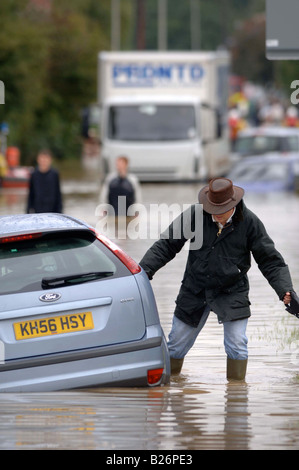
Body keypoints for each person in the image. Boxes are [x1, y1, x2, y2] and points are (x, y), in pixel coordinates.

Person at [139, 177, 299, 381]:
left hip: (232, 291)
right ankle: (169, 392)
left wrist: (285, 289)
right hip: (195, 289)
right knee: (176, 345)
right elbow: (166, 245)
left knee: (237, 344)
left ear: (232, 204)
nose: (215, 214)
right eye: (212, 209)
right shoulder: (195, 215)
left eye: (220, 210)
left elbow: (270, 261)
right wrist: (143, 272)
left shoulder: (250, 222)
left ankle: (236, 398)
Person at [27, 149, 62, 214]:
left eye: (46, 160)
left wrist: (60, 212)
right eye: (42, 159)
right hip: (38, 210)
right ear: (38, 160)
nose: (44, 162)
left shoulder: (54, 174)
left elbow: (58, 194)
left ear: (50, 160)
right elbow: (31, 194)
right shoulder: (34, 174)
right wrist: (28, 211)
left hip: (52, 210)